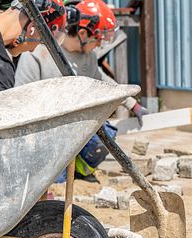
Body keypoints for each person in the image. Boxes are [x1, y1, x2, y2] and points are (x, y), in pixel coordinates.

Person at [14, 0, 147, 183]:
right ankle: (59, 175)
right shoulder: (38, 53)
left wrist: (134, 104)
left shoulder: (88, 57)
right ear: (83, 33)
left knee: (105, 133)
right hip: (45, 132)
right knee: (54, 181)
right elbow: (20, 98)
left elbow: (103, 82)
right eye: (98, 40)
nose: (99, 45)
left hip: (75, 127)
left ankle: (80, 171)